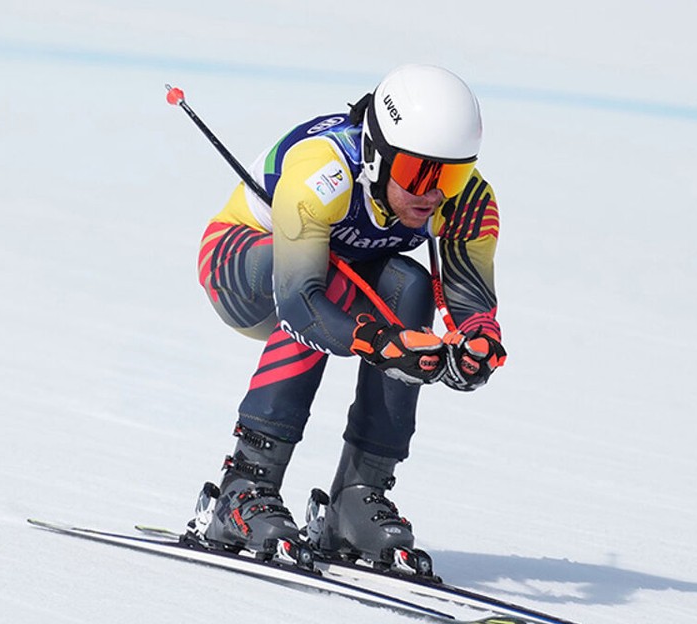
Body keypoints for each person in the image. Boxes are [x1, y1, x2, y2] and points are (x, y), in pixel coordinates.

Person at [190, 64, 506, 570]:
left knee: (411, 288)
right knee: (326, 288)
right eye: (418, 173)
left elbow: (470, 302)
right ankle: (245, 485)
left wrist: (476, 347)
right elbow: (297, 300)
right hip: (242, 266)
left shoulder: (466, 200)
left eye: (452, 174)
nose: (433, 193)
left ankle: (357, 496)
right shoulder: (323, 172)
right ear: (377, 157)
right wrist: (380, 342)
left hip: (339, 278)